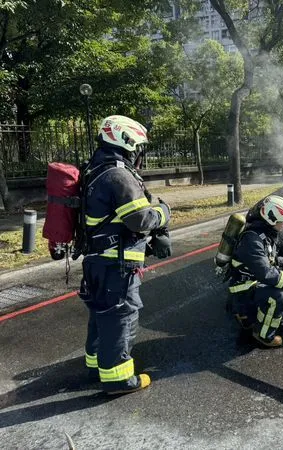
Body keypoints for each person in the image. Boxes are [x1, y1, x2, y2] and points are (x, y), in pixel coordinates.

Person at [79, 115, 172, 394]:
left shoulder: (94, 169)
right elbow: (140, 219)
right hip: (115, 263)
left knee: (101, 313)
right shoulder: (118, 175)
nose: (138, 153)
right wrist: (164, 213)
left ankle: (97, 363)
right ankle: (118, 378)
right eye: (138, 147)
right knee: (121, 316)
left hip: (98, 259)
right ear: (126, 141)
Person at [228, 195, 283, 347]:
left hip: (252, 281)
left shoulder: (265, 232)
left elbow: (273, 252)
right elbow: (265, 272)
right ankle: (264, 335)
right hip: (244, 286)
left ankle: (245, 315)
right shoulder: (252, 239)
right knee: (279, 296)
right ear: (272, 219)